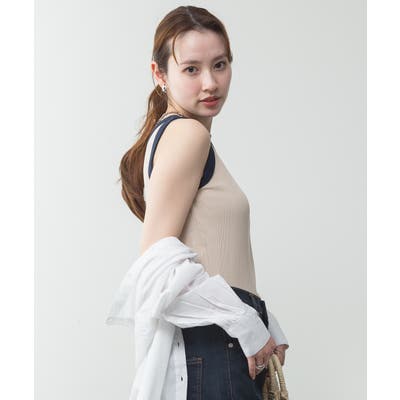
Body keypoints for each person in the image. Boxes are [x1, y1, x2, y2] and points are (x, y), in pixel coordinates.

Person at [118, 5, 289, 399]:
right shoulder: (188, 135)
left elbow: (213, 257)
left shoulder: (181, 137)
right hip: (216, 349)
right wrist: (246, 322)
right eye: (191, 69)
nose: (210, 83)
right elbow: (156, 266)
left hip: (221, 346)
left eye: (220, 65)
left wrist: (262, 320)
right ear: (160, 74)